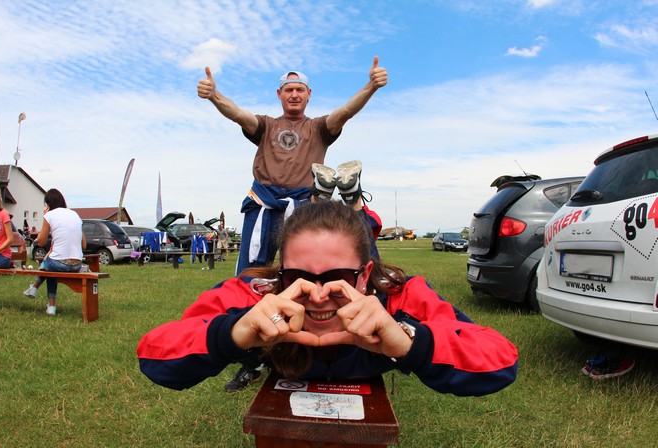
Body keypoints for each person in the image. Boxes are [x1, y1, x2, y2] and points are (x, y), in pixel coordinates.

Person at [138, 201, 519, 397]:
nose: (318, 295)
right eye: (299, 277)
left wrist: (409, 343)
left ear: (366, 274)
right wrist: (230, 336)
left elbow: (499, 362)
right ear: (280, 271)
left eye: (337, 278)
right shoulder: (256, 296)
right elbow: (155, 355)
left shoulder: (399, 296)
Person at [197, 56, 388, 275]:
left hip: (304, 204)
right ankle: (247, 307)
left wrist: (371, 87)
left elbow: (344, 112)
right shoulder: (267, 125)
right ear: (279, 94)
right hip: (263, 203)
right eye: (288, 90)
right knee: (252, 269)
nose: (294, 95)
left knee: (305, 265)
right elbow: (239, 114)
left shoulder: (318, 128)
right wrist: (213, 95)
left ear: (309, 94)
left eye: (300, 89)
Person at [23, 189, 86, 316]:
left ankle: (42, 295)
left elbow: (40, 242)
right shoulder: (75, 215)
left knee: (49, 267)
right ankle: (37, 293)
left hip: (58, 263)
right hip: (77, 264)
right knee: (50, 267)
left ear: (48, 204)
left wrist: (45, 218)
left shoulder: (50, 215)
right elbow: (84, 245)